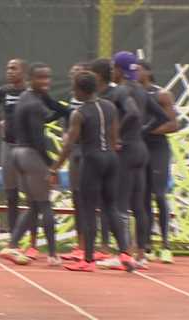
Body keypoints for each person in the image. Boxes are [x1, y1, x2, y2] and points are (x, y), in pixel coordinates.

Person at [51, 71, 137, 272]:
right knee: (110, 207)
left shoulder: (79, 114)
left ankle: (88, 260)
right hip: (111, 159)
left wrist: (54, 168)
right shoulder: (110, 107)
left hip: (92, 160)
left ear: (80, 91)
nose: (73, 92)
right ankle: (125, 252)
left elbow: (69, 145)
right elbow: (115, 137)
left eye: (74, 89)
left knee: (88, 209)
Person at [107, 51, 169, 269]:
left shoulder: (121, 91)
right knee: (140, 205)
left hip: (126, 151)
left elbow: (131, 113)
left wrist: (119, 137)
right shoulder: (143, 92)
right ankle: (141, 254)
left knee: (120, 204)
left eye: (113, 68)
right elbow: (163, 117)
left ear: (118, 69)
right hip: (141, 150)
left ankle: (124, 253)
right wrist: (143, 131)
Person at [0, 62, 61, 266]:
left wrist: (65, 111)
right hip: (31, 154)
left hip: (17, 153)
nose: (46, 82)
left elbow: (53, 110)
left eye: (48, 77)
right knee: (45, 203)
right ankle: (53, 254)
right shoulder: (34, 104)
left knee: (33, 206)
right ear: (30, 80)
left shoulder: (27, 97)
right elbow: (38, 139)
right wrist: (52, 165)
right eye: (41, 78)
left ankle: (13, 244)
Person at [0, 58, 40, 259]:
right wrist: (0, 119)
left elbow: (46, 113)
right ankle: (12, 241)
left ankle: (33, 242)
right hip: (8, 146)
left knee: (32, 196)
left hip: (27, 149)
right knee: (11, 195)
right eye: (7, 68)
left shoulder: (32, 93)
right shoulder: (3, 92)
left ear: (23, 72)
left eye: (14, 68)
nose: (9, 71)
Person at [138, 60, 178, 263]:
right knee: (142, 196)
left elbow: (173, 124)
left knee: (159, 195)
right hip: (139, 148)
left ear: (148, 71)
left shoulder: (161, 94)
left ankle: (165, 243)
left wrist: (147, 131)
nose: (134, 73)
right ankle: (146, 243)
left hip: (157, 148)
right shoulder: (132, 93)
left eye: (138, 69)